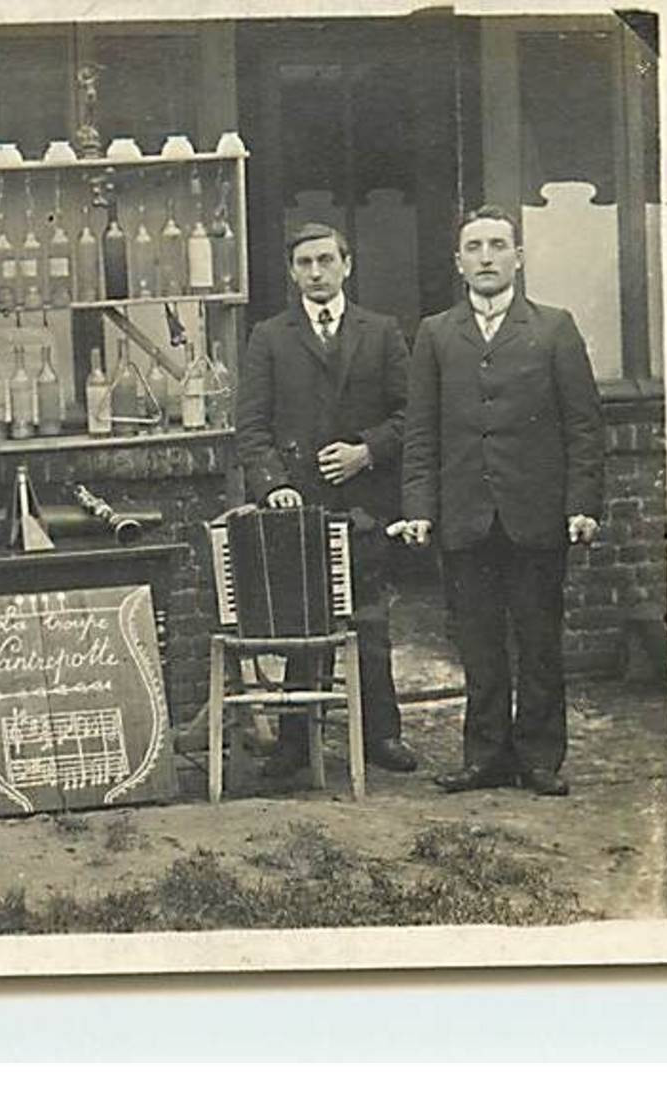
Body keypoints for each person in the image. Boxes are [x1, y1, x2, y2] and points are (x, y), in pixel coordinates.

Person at [394, 205, 605, 796]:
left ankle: (539, 758)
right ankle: (485, 755)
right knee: (478, 642)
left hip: (535, 516)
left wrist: (581, 503)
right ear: (458, 263)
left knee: (539, 640)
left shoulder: (554, 328)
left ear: (518, 257)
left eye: (497, 246)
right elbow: (421, 431)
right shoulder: (436, 334)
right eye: (474, 248)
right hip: (465, 516)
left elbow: (583, 426)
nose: (486, 257)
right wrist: (419, 508)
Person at [234, 222, 418, 779]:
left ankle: (381, 734)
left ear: (346, 265)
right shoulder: (269, 336)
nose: (315, 273)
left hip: (365, 503)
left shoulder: (382, 332)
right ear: (292, 273)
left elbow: (413, 416)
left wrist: (368, 450)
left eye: (325, 261)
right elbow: (251, 428)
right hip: (297, 507)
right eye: (304, 264)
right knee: (300, 622)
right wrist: (274, 485)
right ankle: (295, 741)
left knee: (369, 621)